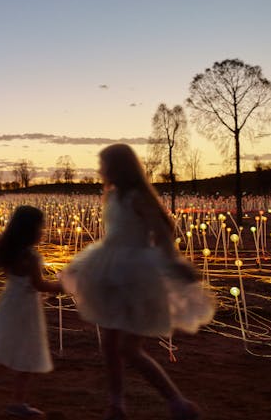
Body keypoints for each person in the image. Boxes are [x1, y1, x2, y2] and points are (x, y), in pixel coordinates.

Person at [60, 144, 215, 420]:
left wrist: (173, 262)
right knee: (109, 345)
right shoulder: (113, 196)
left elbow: (163, 230)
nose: (99, 169)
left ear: (119, 166)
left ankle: (178, 403)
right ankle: (116, 404)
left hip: (136, 274)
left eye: (103, 163)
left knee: (128, 348)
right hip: (111, 269)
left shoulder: (137, 196)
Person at [0, 205, 63, 418]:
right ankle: (17, 402)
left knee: (15, 343)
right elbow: (39, 284)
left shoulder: (11, 252)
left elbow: (24, 283)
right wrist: (62, 286)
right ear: (30, 230)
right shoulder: (31, 257)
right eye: (41, 228)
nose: (43, 232)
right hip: (25, 309)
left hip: (10, 304)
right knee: (29, 353)